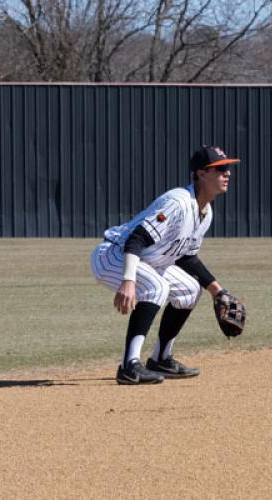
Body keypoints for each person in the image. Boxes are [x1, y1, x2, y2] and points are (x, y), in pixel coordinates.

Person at [90, 145, 240, 384]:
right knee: (157, 287)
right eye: (220, 168)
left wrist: (217, 291)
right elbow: (136, 239)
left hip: (148, 261)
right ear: (201, 173)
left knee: (190, 290)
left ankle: (161, 357)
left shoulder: (205, 212)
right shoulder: (178, 203)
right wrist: (128, 281)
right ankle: (129, 366)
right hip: (114, 255)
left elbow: (186, 257)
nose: (228, 173)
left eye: (228, 168)